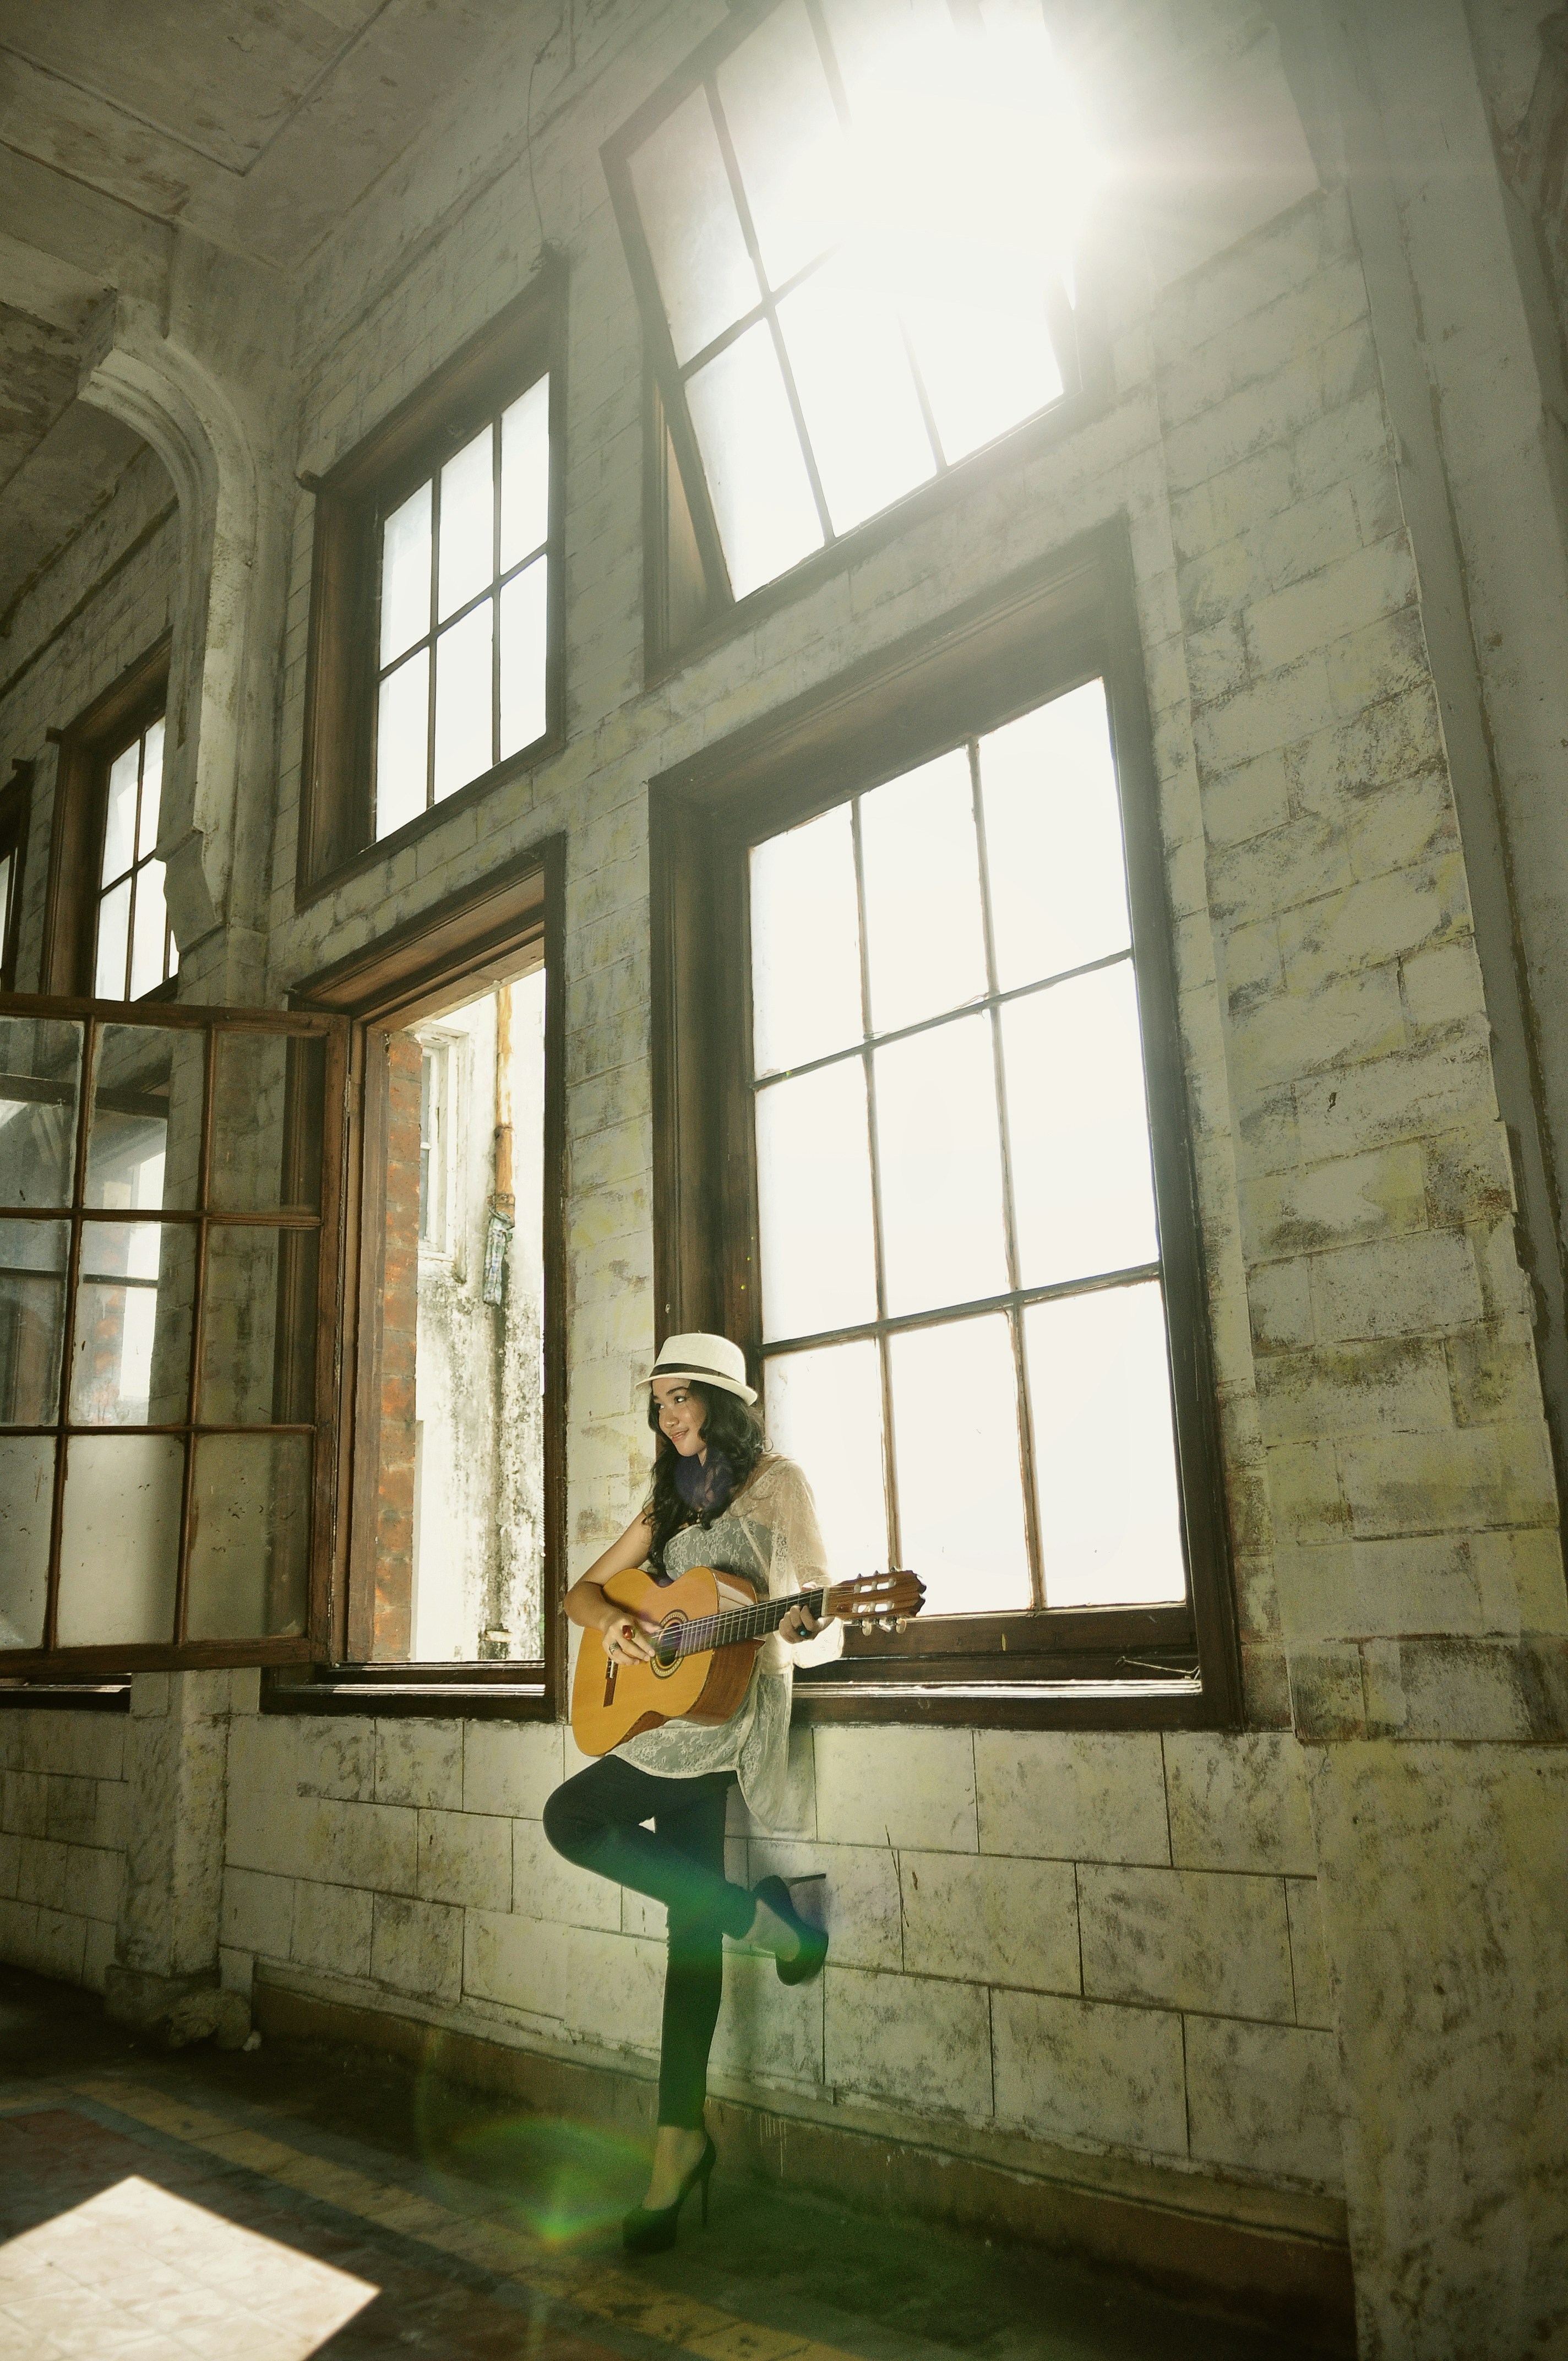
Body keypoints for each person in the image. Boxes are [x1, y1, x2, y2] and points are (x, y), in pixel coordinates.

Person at [543, 1331, 843, 2253]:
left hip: (729, 1715)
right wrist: (618, 1630)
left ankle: (675, 2149)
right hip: (668, 1715)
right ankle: (684, 2131)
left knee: (577, 1823)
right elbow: (580, 1596)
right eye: (661, 1399)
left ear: (725, 1402)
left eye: (685, 1396)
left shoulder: (779, 1483)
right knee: (682, 1925)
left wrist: (804, 1618)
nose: (670, 1415)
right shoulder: (668, 1498)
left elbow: (819, 1606)